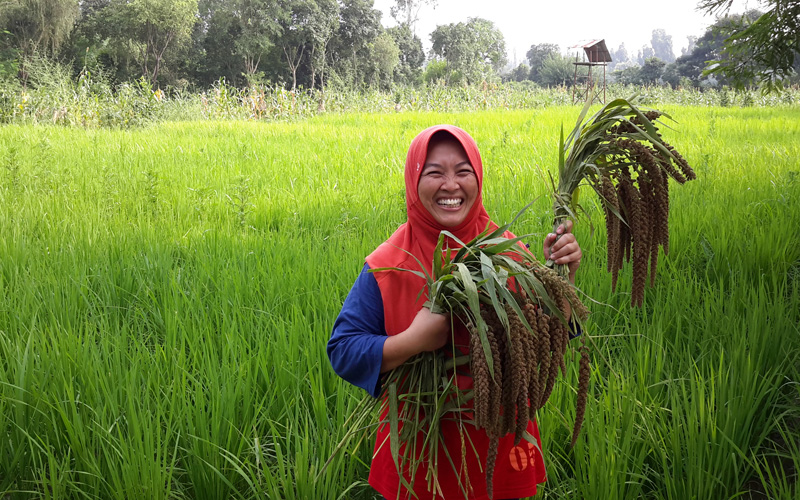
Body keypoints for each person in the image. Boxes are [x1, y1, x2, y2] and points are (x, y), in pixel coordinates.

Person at [327, 125, 582, 500]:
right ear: (414, 181)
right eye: (434, 173)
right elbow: (344, 350)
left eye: (463, 171)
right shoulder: (387, 266)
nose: (451, 185)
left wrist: (564, 280)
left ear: (478, 177)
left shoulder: (509, 255)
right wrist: (412, 341)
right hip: (418, 451)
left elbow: (549, 336)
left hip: (499, 439)